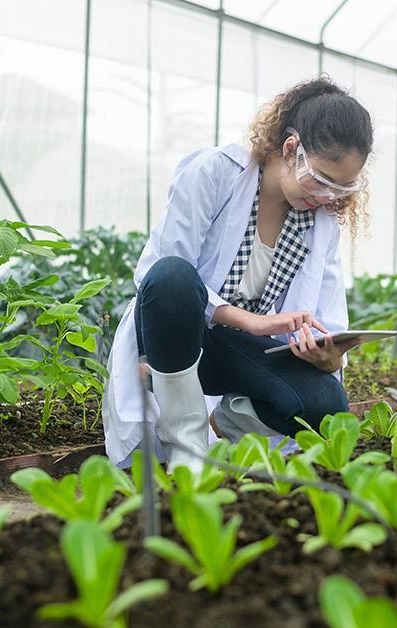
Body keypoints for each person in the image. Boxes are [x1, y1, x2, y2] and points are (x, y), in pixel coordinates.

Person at [101, 76, 374, 471]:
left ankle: (225, 421)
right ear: (290, 148)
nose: (326, 198)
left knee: (325, 406)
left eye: (341, 189)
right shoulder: (215, 173)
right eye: (320, 180)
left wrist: (328, 358)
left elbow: (326, 319)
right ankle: (187, 445)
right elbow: (156, 275)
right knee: (173, 277)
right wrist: (252, 321)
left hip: (239, 351)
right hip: (178, 335)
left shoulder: (320, 221)